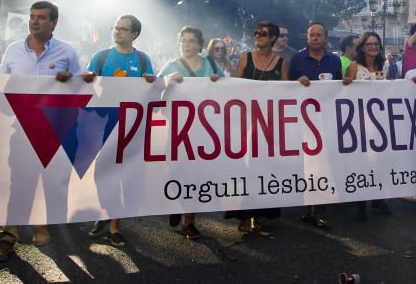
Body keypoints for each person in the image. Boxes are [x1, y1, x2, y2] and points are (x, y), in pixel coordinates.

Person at [0, 1, 82, 263]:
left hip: (55, 129)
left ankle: (44, 226)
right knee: (20, 183)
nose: (34, 21)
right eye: (32, 17)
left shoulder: (67, 51)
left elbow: (82, 88)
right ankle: (9, 237)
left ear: (54, 22)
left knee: (52, 182)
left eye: (41, 17)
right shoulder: (14, 50)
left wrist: (71, 80)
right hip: (22, 129)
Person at [81, 15, 156, 246]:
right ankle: (105, 213)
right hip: (104, 125)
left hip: (131, 126)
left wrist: (151, 81)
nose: (117, 32)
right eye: (115, 27)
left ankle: (115, 226)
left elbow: (154, 91)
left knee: (123, 174)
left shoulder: (143, 60)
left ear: (134, 34)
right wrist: (86, 78)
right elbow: (85, 83)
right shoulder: (101, 56)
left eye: (123, 29)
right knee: (102, 173)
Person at [158, 26, 224, 240]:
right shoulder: (171, 66)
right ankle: (176, 203)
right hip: (177, 129)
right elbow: (154, 92)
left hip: (203, 129)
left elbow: (228, 90)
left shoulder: (210, 65)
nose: (187, 45)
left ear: (200, 44)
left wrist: (217, 81)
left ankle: (189, 222)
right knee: (175, 171)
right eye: (183, 41)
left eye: (192, 41)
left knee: (195, 175)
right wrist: (168, 80)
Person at [227, 21, 286, 232]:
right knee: (244, 170)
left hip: (268, 126)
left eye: (263, 33)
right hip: (244, 123)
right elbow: (235, 87)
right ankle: (243, 216)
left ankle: (257, 216)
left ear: (273, 38)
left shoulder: (281, 63)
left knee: (264, 170)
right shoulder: (246, 58)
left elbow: (286, 95)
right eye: (256, 33)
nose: (258, 36)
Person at [288, 22, 341, 228]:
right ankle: (305, 207)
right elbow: (285, 86)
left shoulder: (335, 61)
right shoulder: (297, 59)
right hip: (303, 120)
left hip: (326, 120)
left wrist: (344, 84)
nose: (315, 38)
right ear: (307, 38)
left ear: (325, 38)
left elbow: (339, 88)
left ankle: (320, 209)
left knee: (323, 165)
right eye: (312, 35)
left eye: (319, 34)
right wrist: (296, 81)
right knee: (304, 165)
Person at [342, 31, 391, 219]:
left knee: (380, 161)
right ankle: (361, 202)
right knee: (362, 163)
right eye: (369, 44)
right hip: (360, 122)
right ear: (362, 47)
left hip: (381, 121)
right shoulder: (354, 66)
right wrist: (346, 82)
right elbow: (346, 92)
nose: (373, 47)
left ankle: (379, 200)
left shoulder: (385, 65)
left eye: (376, 43)